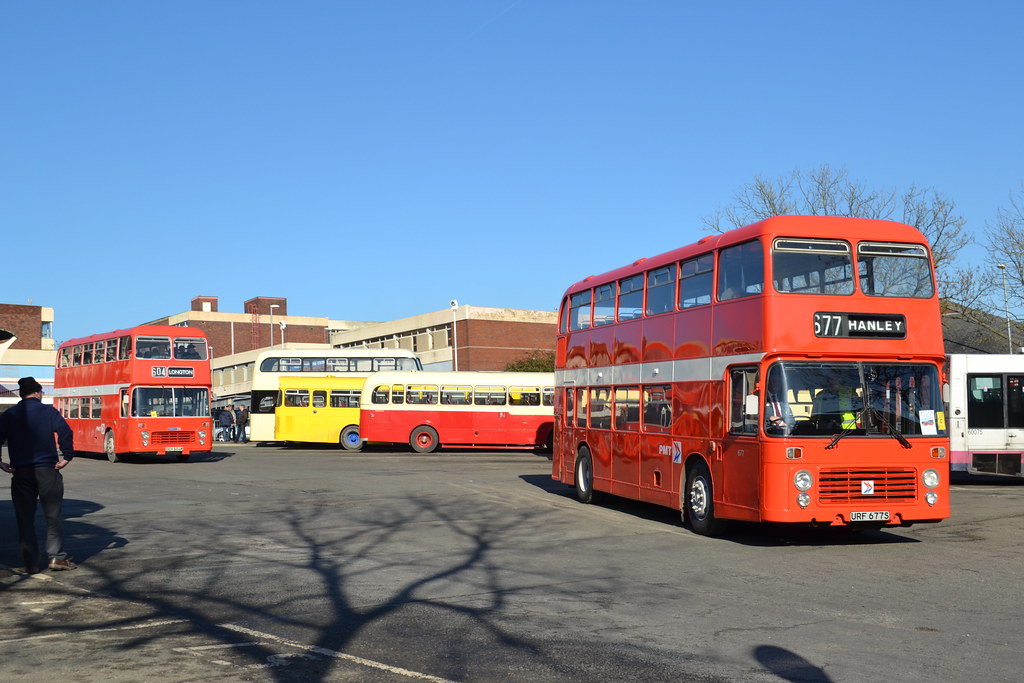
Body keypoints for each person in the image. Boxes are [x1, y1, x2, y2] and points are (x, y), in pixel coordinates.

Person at [0, 377, 76, 573]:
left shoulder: (9, 415)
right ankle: (56, 558)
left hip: (21, 472)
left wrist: (0, 462)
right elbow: (65, 432)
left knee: (24, 518)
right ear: (36, 392)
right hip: (48, 471)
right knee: (53, 516)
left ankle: (31, 563)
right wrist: (66, 456)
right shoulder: (48, 411)